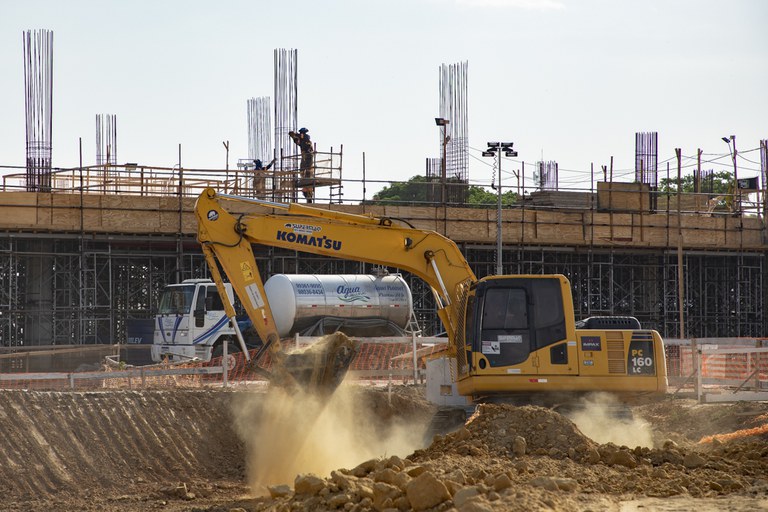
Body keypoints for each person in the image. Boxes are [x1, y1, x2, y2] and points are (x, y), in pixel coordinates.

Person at [288, 127, 314, 203]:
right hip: (305, 156)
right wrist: (294, 137)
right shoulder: (303, 140)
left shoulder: (306, 138)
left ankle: (306, 178)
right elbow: (298, 142)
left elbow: (301, 138)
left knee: (307, 170)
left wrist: (295, 135)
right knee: (302, 169)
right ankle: (305, 178)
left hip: (308, 156)